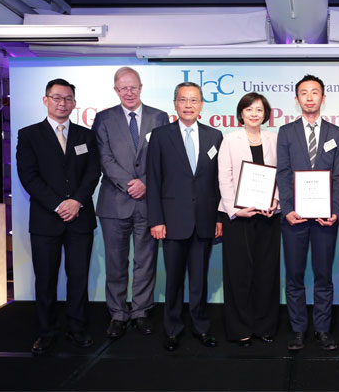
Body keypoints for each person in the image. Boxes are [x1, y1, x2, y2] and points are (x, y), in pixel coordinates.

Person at [16, 78, 100, 355]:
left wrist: (76, 201)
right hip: (45, 221)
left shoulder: (86, 135)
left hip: (80, 219)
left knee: (78, 277)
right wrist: (58, 204)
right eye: (57, 98)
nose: (62, 103)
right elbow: (28, 176)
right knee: (46, 278)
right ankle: (46, 331)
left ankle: (77, 328)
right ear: (45, 100)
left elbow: (93, 173)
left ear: (74, 103)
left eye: (67, 99)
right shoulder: (29, 135)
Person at [92, 67, 169, 339]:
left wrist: (145, 182)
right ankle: (117, 313)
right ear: (115, 89)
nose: (128, 92)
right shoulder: (103, 119)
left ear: (141, 87)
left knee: (145, 261)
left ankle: (140, 311)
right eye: (122, 87)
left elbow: (163, 157)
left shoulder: (159, 117)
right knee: (116, 261)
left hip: (149, 202)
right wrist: (129, 183)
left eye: (133, 87)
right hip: (114, 202)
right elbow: (104, 158)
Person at [146, 82, 223, 352]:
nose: (188, 105)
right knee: (174, 280)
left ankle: (201, 327)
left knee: (200, 281)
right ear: (175, 104)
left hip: (204, 221)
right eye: (183, 100)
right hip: (171, 222)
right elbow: (153, 181)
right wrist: (156, 220)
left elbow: (218, 182)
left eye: (194, 100)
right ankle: (173, 329)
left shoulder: (215, 136)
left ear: (201, 105)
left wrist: (219, 218)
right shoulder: (160, 136)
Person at [276, 74, 339, 351]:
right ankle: (297, 330)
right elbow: (282, 173)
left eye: (314, 92)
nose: (309, 97)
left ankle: (322, 329)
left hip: (324, 218)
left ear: (323, 98)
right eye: (303, 93)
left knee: (323, 275)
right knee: (294, 275)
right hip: (294, 219)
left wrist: (334, 210)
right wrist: (289, 209)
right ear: (296, 100)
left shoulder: (336, 133)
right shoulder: (286, 132)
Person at [217, 92, 281, 346]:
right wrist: (236, 208)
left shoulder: (274, 139)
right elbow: (224, 177)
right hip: (239, 218)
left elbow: (281, 174)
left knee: (267, 271)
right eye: (249, 109)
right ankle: (240, 327)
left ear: (265, 114)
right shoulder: (229, 140)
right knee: (239, 273)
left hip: (268, 216)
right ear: (241, 113)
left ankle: (265, 326)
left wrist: (275, 201)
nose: (254, 114)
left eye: (259, 110)